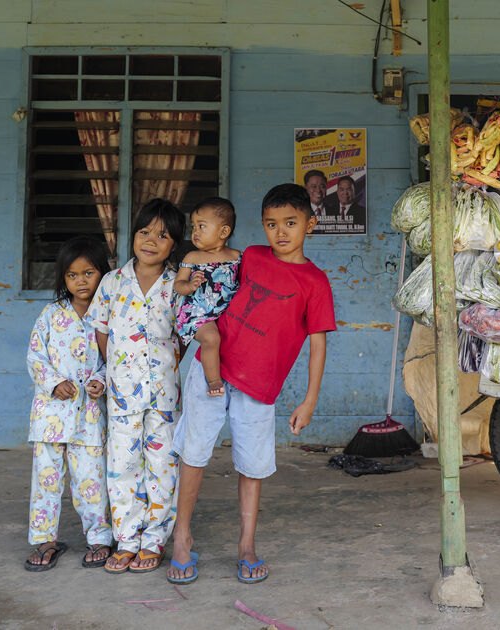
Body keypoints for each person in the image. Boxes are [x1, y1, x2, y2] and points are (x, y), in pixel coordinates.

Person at [168, 183, 335, 586]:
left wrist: (310, 399)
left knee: (253, 465)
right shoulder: (251, 257)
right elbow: (210, 274)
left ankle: (247, 545)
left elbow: (318, 344)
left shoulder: (316, 282)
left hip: (260, 386)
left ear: (309, 225)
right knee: (193, 453)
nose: (280, 232)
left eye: (290, 223)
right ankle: (181, 536)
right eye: (271, 224)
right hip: (215, 367)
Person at [85, 198, 187, 575]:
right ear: (133, 235)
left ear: (174, 243)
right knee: (122, 466)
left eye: (162, 235)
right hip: (123, 393)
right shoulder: (113, 282)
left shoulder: (177, 284)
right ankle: (127, 539)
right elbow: (101, 330)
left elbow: (184, 334)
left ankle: (154, 539)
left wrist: (169, 362)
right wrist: (117, 368)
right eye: (144, 231)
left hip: (163, 393)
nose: (151, 240)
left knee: (163, 466)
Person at [23, 236, 114, 572]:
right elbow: (35, 356)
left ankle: (100, 539)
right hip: (50, 417)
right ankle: (44, 539)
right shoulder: (50, 315)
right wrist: (54, 382)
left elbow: (112, 360)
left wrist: (100, 382)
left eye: (88, 273)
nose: (81, 281)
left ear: (102, 274)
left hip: (89, 418)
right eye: (72, 275)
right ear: (63, 278)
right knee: (46, 480)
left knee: (91, 480)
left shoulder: (107, 317)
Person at [173, 198, 241, 397]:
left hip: (225, 312)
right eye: (193, 227)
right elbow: (178, 285)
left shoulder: (237, 257)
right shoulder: (192, 258)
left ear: (223, 232)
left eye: (202, 226)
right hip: (198, 312)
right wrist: (190, 285)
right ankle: (213, 381)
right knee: (211, 338)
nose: (195, 232)